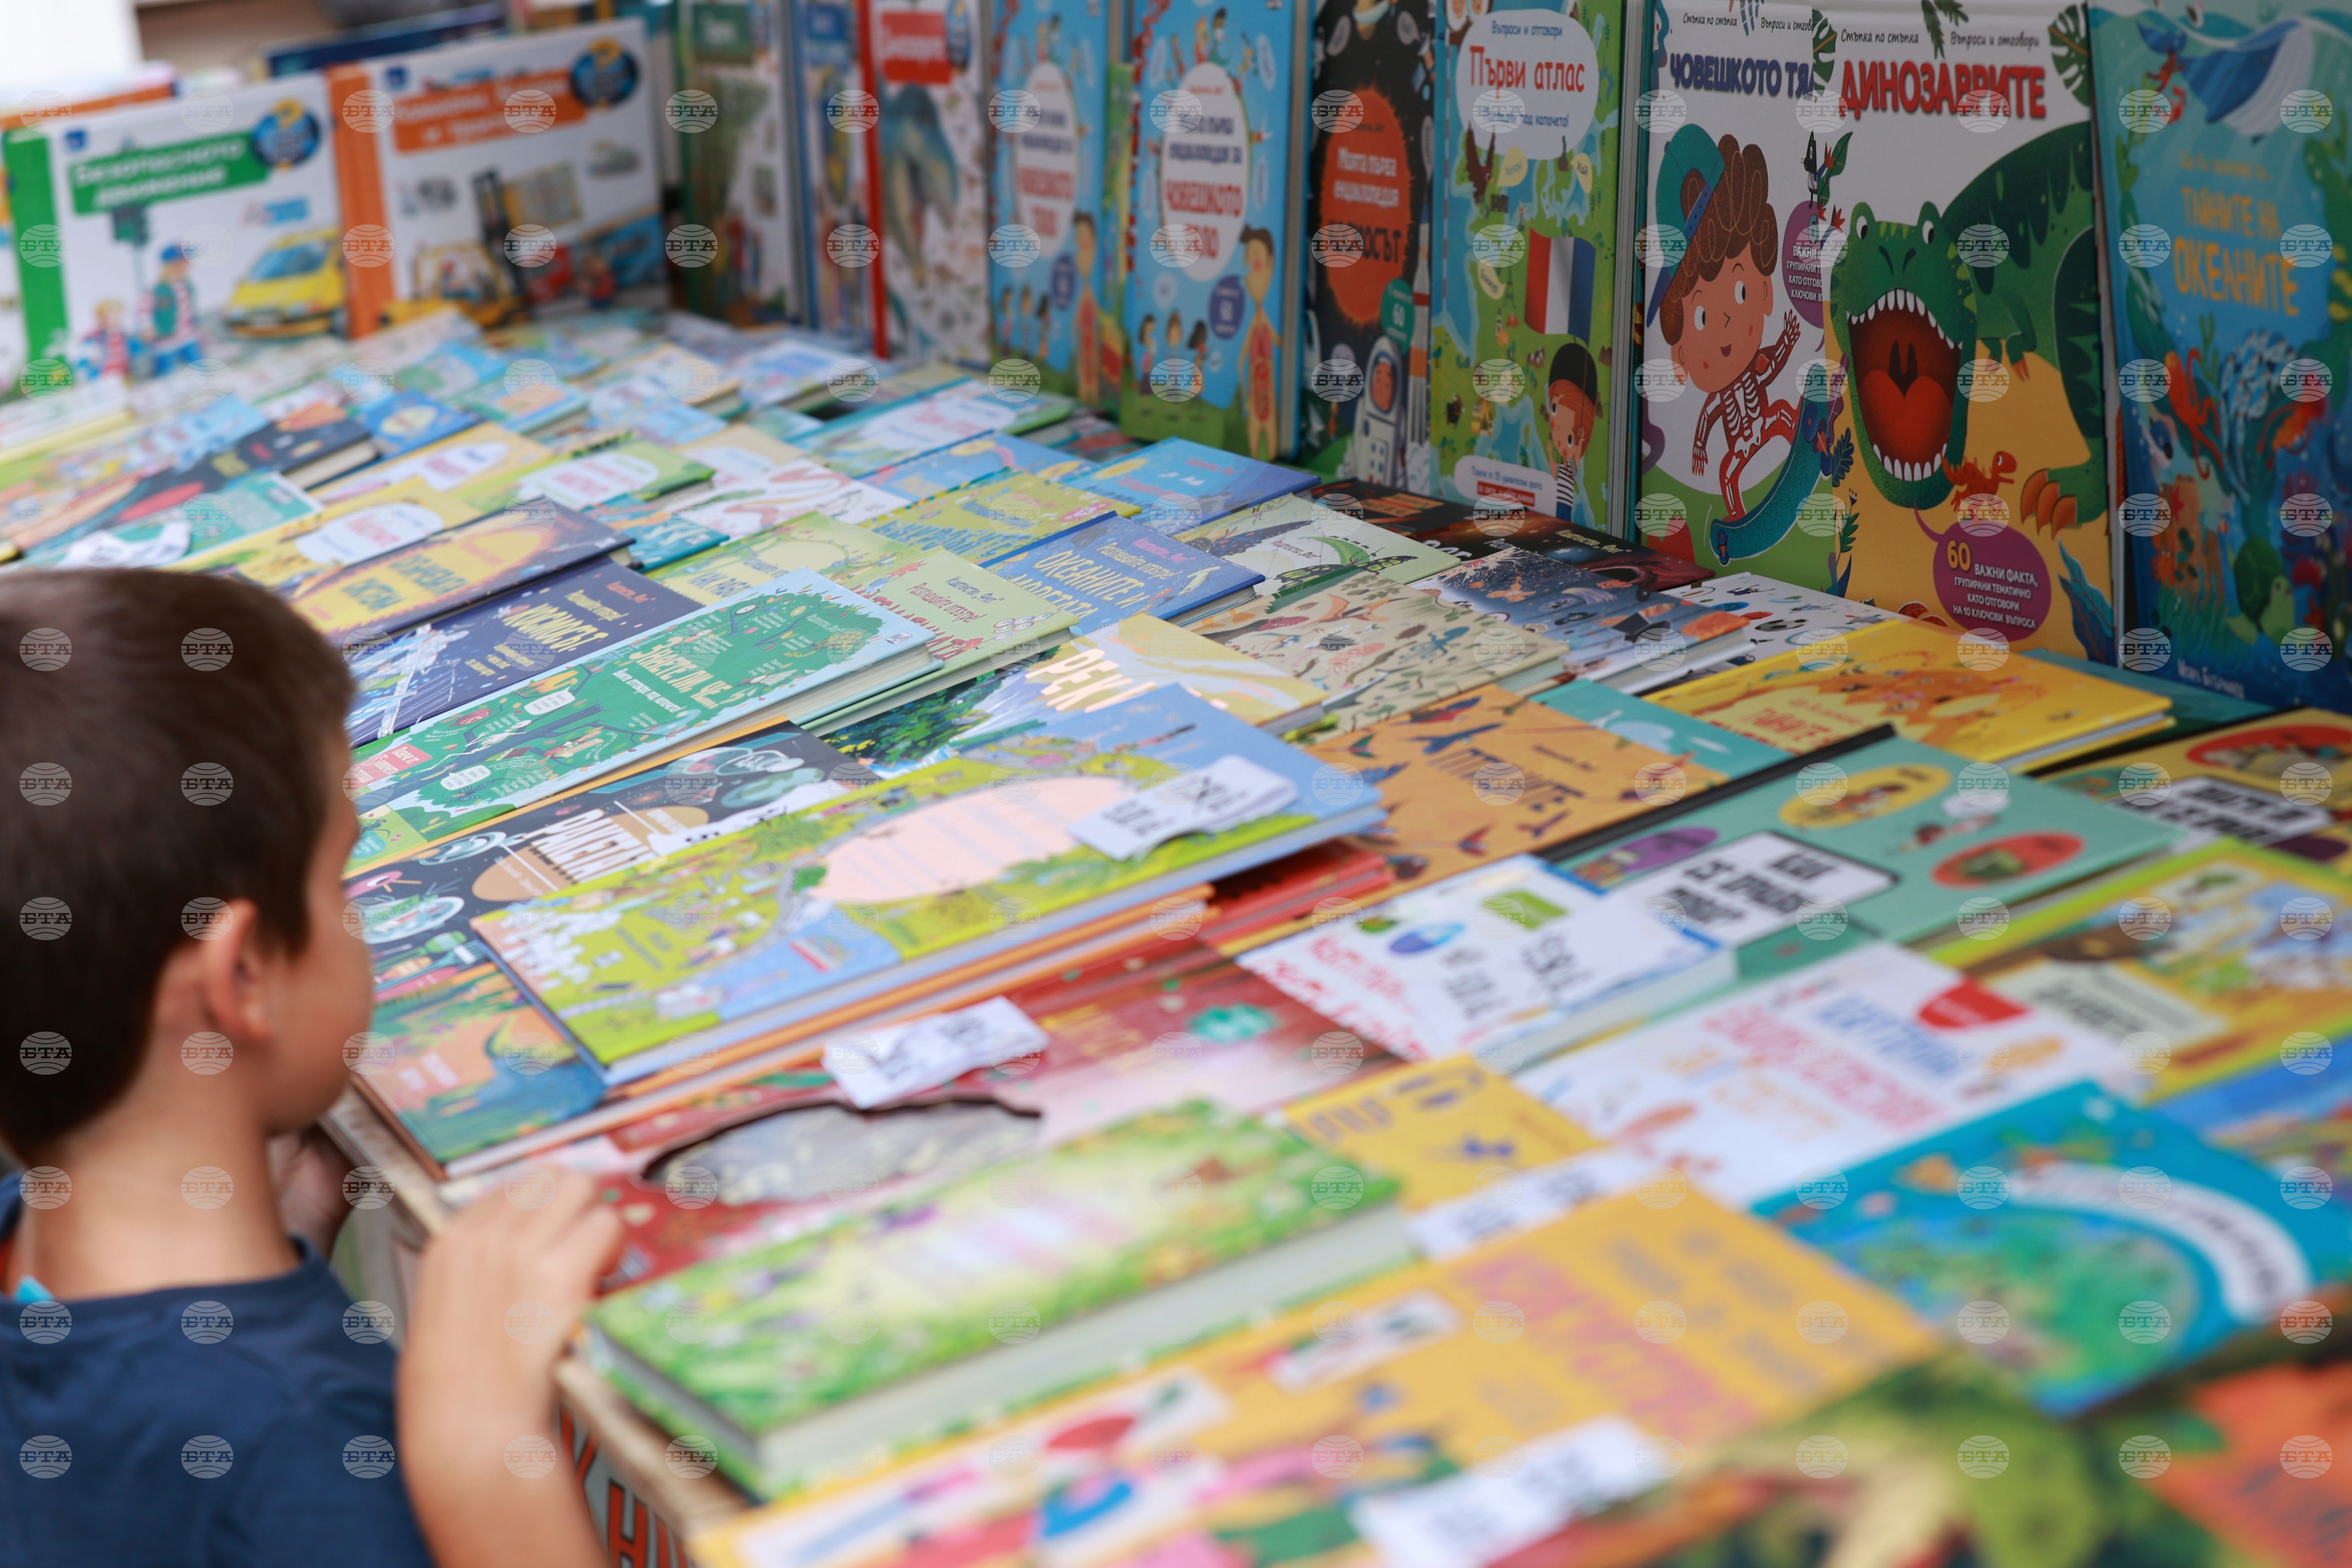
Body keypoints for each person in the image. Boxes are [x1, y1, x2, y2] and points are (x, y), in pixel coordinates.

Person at [0, 569, 622, 1568]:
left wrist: (286, 1227)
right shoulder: (313, 1449)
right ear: (243, 974)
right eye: (341, 877)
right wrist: (476, 1445)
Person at [1654, 133, 1801, 520]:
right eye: (1701, 317)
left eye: (1741, 291)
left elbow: (1771, 364)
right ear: (1680, 355)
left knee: (1784, 413)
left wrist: (1787, 341)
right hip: (1739, 445)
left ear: (1765, 289)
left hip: (1763, 423)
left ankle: (1800, 449)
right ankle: (1736, 515)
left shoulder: (1753, 369)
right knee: (1727, 475)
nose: (1724, 321)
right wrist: (1700, 445)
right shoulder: (1718, 399)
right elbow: (1707, 417)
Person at [1544, 341, 1600, 521]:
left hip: (1565, 505)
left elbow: (1575, 458)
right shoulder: (1562, 467)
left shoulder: (1572, 469)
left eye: (1570, 439)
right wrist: (1550, 453)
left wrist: (1579, 444)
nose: (1560, 437)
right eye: (1555, 409)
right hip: (1558, 504)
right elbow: (1554, 472)